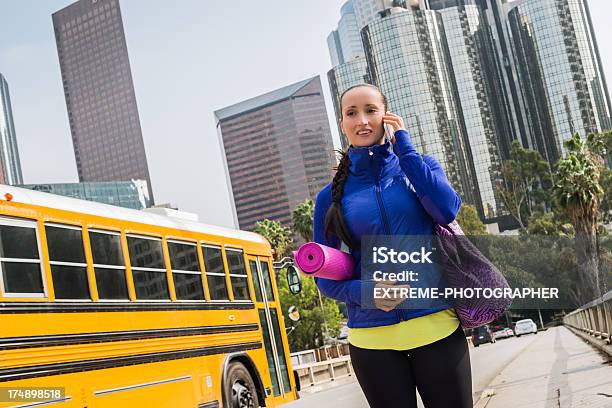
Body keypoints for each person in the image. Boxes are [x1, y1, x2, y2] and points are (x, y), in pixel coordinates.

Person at [313, 84, 472, 408]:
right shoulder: (329, 198)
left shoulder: (419, 167)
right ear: (342, 124)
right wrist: (367, 293)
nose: (362, 121)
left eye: (370, 110)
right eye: (351, 113)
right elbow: (324, 277)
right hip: (372, 343)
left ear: (386, 115)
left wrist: (407, 151)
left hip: (437, 328)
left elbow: (446, 210)